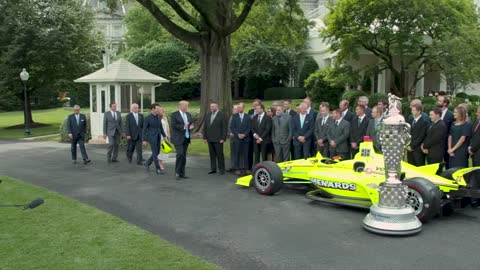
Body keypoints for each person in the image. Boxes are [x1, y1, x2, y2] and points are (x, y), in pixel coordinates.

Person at [171, 100, 194, 180]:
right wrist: (184, 126)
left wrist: (190, 127)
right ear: (180, 106)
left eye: (187, 106)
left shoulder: (188, 114)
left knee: (183, 156)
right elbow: (174, 125)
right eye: (185, 106)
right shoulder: (174, 115)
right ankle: (177, 173)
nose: (186, 108)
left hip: (186, 138)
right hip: (178, 138)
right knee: (180, 154)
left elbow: (191, 123)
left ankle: (182, 173)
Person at [203, 102, 228, 175]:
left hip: (218, 139)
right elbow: (205, 127)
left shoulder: (222, 115)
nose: (212, 108)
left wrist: (223, 138)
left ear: (217, 107)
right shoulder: (208, 115)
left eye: (213, 106)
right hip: (210, 139)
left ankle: (221, 169)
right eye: (211, 106)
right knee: (212, 154)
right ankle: (213, 169)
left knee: (220, 155)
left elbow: (224, 128)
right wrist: (205, 137)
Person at [143, 103, 167, 175]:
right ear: (153, 109)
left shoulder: (158, 117)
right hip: (152, 138)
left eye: (159, 109)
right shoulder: (147, 118)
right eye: (157, 109)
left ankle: (147, 163)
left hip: (159, 137)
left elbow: (161, 128)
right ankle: (158, 169)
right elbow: (144, 129)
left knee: (157, 152)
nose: (158, 110)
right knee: (155, 152)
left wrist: (165, 136)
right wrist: (144, 139)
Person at [230, 102, 252, 175]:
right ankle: (237, 168)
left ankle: (245, 168)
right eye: (238, 108)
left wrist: (244, 134)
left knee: (245, 154)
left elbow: (249, 127)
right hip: (237, 138)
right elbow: (232, 127)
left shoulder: (247, 116)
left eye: (240, 107)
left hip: (246, 139)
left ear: (243, 108)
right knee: (237, 154)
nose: (239, 109)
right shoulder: (234, 116)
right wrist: (238, 134)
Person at [157, 106, 170, 171]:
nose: (162, 111)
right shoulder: (157, 118)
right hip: (159, 136)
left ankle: (160, 161)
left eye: (163, 110)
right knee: (160, 150)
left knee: (164, 150)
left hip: (165, 136)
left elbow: (167, 127)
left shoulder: (165, 118)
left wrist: (168, 135)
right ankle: (160, 163)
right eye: (161, 110)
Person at [227, 104, 239, 172]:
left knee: (238, 153)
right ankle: (233, 166)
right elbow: (229, 126)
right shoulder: (231, 116)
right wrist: (229, 133)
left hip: (238, 138)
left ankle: (238, 167)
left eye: (236, 109)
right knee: (232, 152)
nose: (235, 110)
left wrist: (235, 134)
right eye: (234, 109)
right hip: (232, 138)